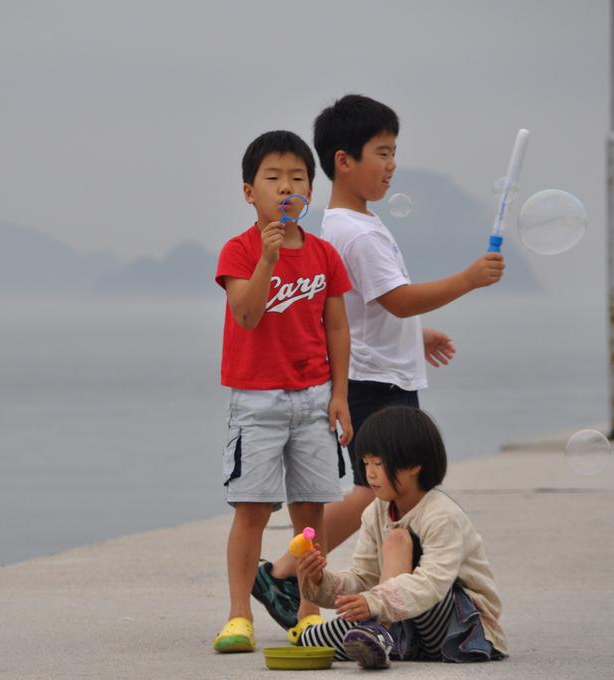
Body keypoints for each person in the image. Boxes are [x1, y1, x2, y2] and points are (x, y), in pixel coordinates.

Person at [253, 95, 504, 623]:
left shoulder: (348, 226)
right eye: (382, 153)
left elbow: (372, 308)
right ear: (344, 160)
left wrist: (416, 335)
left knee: (378, 489)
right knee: (374, 489)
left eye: (394, 153)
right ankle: (281, 573)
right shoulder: (356, 232)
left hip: (380, 372)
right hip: (374, 381)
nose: (392, 165)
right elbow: (397, 298)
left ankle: (298, 574)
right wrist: (468, 279)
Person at [212, 130, 354, 653]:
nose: (286, 186)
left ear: (311, 191)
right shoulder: (240, 250)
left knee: (310, 513)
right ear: (250, 192)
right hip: (257, 400)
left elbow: (337, 329)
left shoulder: (323, 254)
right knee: (251, 508)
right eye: (273, 178)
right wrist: (269, 259)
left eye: (297, 177)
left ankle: (308, 612)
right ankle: (238, 617)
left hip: (315, 397)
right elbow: (246, 315)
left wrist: (340, 395)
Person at [294, 406, 507, 668]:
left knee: (397, 539)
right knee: (310, 641)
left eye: (379, 464)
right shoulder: (375, 511)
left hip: (457, 624)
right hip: (401, 618)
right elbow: (364, 577)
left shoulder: (442, 515)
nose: (369, 473)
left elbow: (432, 583)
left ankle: (377, 631)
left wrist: (374, 603)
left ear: (414, 465)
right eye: (366, 462)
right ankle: (378, 635)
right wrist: (319, 580)